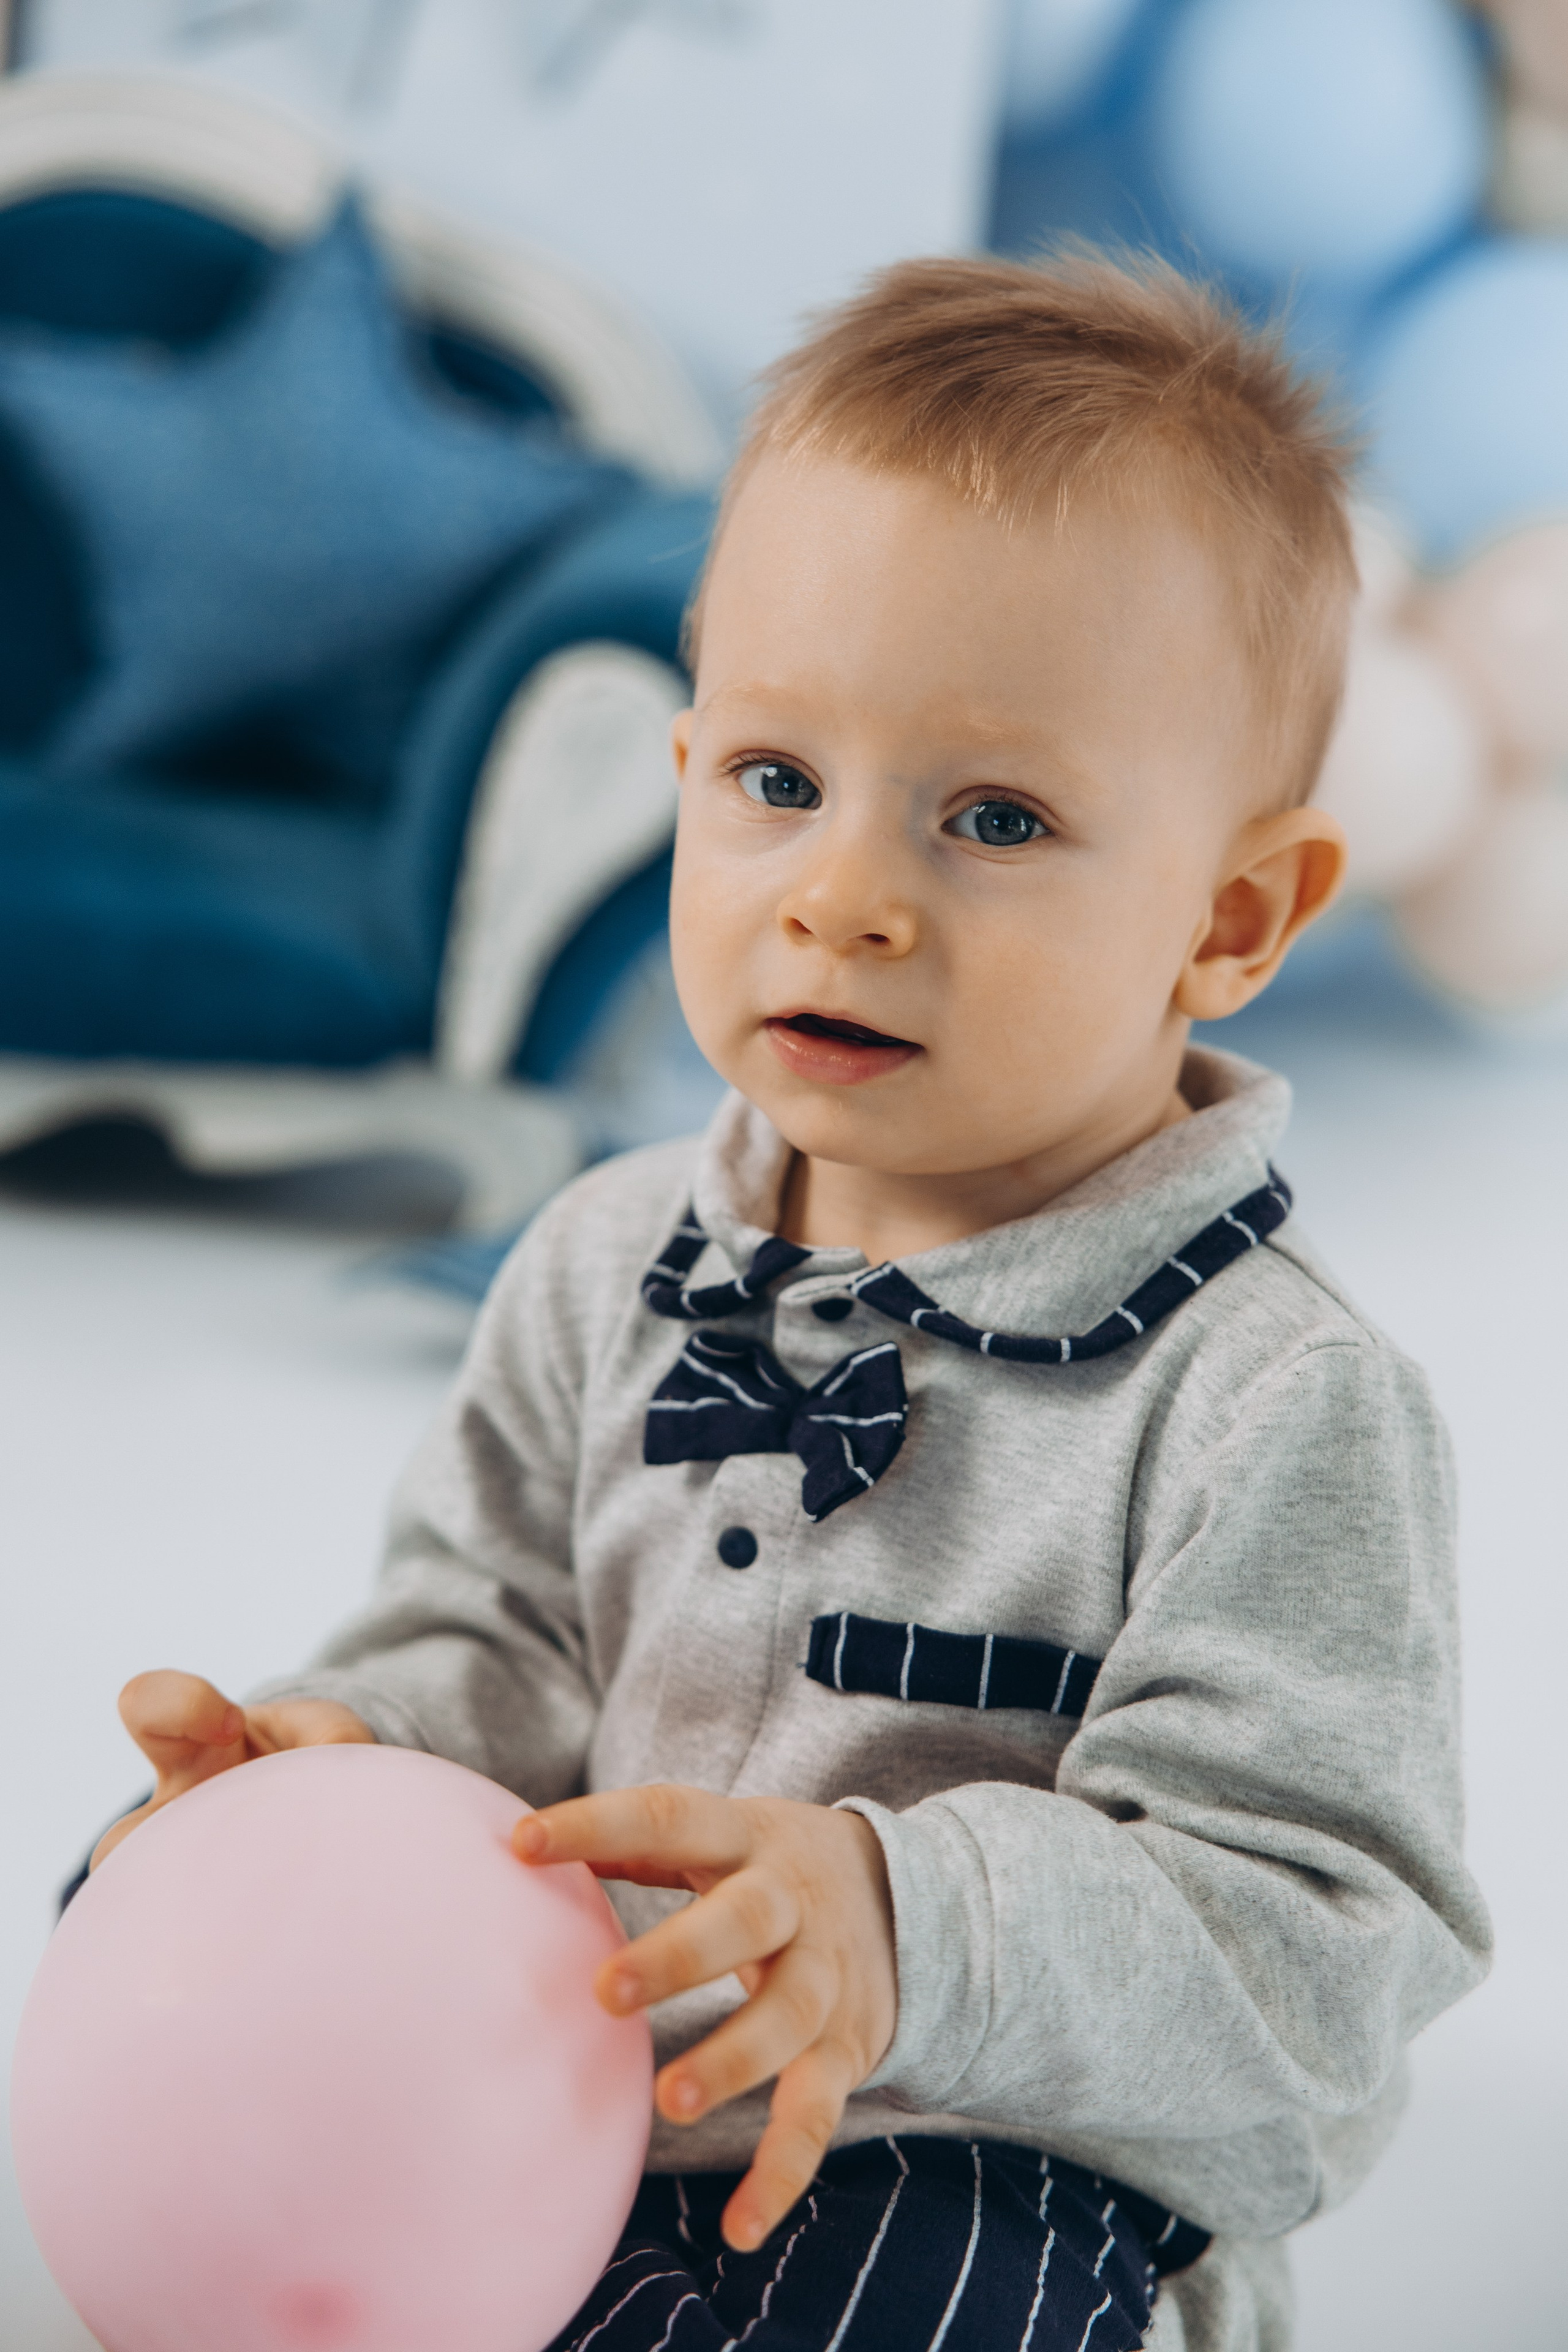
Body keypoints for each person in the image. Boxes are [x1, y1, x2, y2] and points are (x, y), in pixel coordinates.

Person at [93, 251, 1491, 2352]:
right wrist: (340, 1755)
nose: (842, 893)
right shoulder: (601, 1261)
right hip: (561, 2114)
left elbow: (1314, 1968)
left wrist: (911, 1929)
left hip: (973, 2186)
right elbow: (495, 1639)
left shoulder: (1271, 1403)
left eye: (994, 818)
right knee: (142, 1969)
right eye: (774, 780)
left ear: (1229, 915)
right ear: (681, 773)